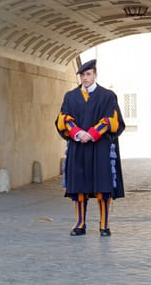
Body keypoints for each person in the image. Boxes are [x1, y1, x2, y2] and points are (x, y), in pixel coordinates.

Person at [55, 59, 125, 237]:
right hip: (78, 147)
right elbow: (65, 119)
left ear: (95, 75)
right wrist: (78, 133)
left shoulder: (107, 96)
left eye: (88, 74)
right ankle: (80, 223)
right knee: (79, 187)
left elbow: (111, 120)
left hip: (100, 147)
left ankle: (104, 224)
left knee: (103, 187)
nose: (85, 78)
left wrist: (92, 134)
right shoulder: (70, 97)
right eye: (82, 75)